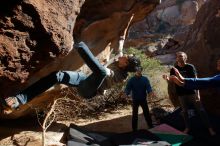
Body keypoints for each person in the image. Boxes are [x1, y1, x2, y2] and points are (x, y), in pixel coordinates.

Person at [2, 42, 141, 114]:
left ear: (125, 64)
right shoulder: (120, 61)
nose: (124, 55)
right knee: (58, 75)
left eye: (126, 57)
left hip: (89, 90)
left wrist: (81, 47)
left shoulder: (120, 76)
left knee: (101, 72)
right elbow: (121, 49)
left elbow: (104, 72)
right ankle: (19, 99)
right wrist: (121, 37)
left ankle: (80, 46)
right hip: (84, 79)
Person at [163, 51, 215, 135]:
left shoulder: (190, 67)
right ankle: (187, 127)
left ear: (185, 58)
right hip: (181, 94)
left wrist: (198, 94)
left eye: (182, 56)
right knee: (184, 112)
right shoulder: (174, 69)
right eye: (179, 56)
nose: (180, 58)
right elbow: (172, 81)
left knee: (201, 110)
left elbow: (196, 81)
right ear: (176, 59)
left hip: (192, 92)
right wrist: (167, 79)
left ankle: (209, 128)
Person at [124, 66, 154, 131]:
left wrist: (150, 93)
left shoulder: (145, 79)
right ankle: (134, 129)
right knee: (135, 115)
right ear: (135, 71)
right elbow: (128, 88)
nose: (138, 71)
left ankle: (150, 126)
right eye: (137, 70)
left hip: (143, 99)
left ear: (141, 71)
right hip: (135, 100)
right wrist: (126, 94)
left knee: (147, 113)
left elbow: (148, 87)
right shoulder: (132, 80)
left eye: (140, 70)